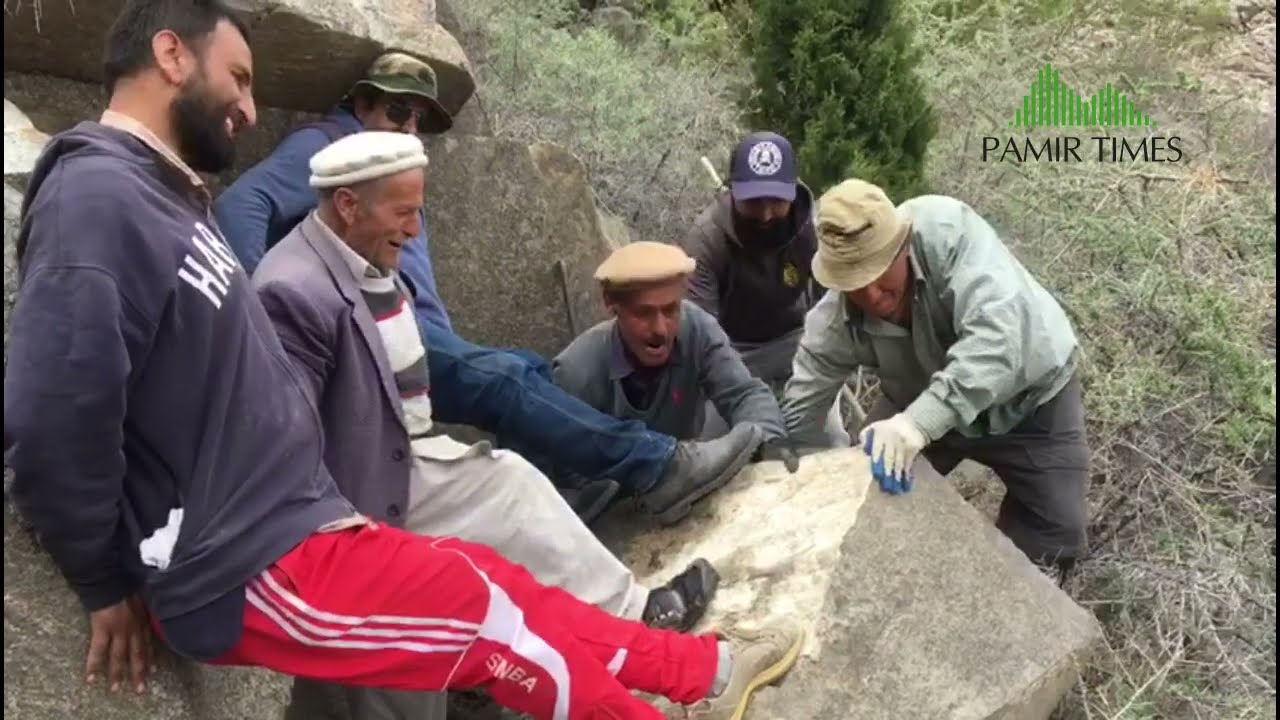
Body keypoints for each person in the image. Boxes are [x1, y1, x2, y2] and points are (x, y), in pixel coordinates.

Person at [2, 2, 804, 718]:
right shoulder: (94, 195)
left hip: (304, 525)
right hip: (249, 562)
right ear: (171, 55)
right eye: (238, 77)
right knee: (484, 618)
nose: (250, 106)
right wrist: (103, 581)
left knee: (503, 581)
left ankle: (705, 669)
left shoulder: (165, 197)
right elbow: (53, 412)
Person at [253, 130, 723, 718]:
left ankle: (629, 622)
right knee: (399, 667)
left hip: (402, 465)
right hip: (358, 499)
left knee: (510, 491)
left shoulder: (360, 256)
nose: (416, 230)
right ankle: (620, 632)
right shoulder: (291, 291)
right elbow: (287, 441)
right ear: (349, 205)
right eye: (404, 213)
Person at [213, 52, 762, 525]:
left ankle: (564, 496)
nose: (407, 126)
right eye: (396, 109)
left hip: (407, 335)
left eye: (419, 117)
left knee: (522, 369)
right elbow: (241, 205)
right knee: (505, 381)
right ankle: (658, 468)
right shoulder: (336, 146)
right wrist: (269, 316)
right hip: (368, 334)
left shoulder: (391, 169)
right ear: (361, 105)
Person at [778, 178, 1089, 583]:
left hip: (1031, 402)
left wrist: (915, 425)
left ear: (902, 244)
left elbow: (999, 341)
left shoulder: (951, 235)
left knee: (1057, 534)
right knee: (867, 500)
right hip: (917, 397)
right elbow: (803, 405)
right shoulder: (834, 320)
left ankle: (1008, 606)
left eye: (878, 271)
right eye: (854, 282)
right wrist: (792, 478)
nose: (871, 294)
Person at [552, 242, 799, 524]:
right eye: (643, 313)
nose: (660, 329)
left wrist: (770, 440)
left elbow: (743, 393)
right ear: (611, 304)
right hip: (616, 510)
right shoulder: (576, 372)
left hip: (690, 466)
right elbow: (567, 482)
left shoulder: (696, 327)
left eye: (670, 310)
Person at [680, 131, 849, 447]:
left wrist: (822, 364)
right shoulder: (707, 239)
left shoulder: (814, 229)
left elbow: (831, 307)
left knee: (829, 444)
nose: (766, 213)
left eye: (776, 200)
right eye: (754, 201)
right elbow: (700, 329)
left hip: (797, 343)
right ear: (732, 192)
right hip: (731, 349)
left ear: (793, 190)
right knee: (715, 450)